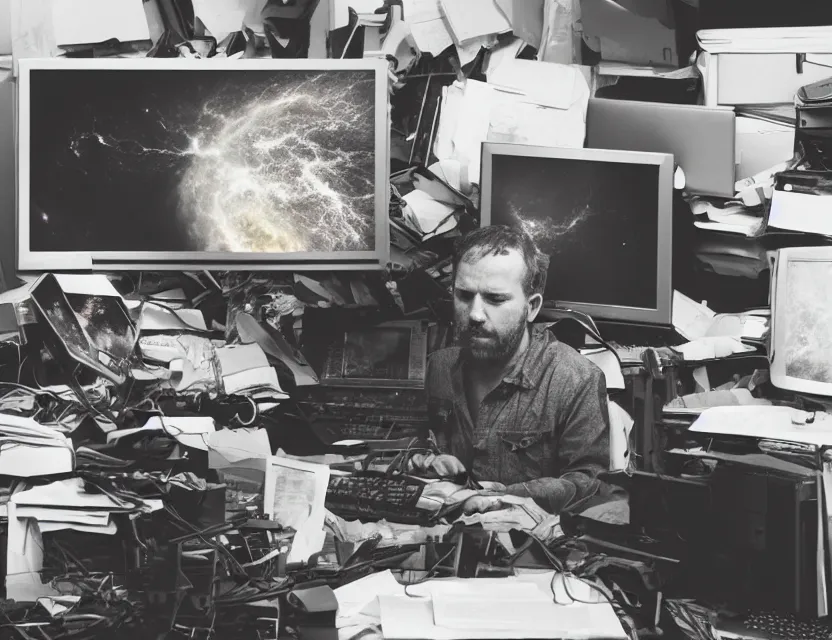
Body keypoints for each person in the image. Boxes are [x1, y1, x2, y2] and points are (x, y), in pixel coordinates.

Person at [412, 225, 625, 518]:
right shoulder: (439, 367)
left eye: (495, 299)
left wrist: (504, 497)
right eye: (464, 295)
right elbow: (417, 447)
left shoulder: (575, 378)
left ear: (531, 307)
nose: (474, 314)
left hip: (529, 551)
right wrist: (429, 462)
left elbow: (588, 484)